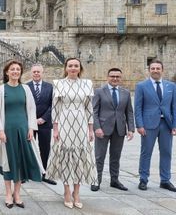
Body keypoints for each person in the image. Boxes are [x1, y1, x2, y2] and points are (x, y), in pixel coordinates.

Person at [46, 57, 97, 209]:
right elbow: (55, 108)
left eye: (76, 66)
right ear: (66, 68)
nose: (73, 68)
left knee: (80, 158)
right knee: (66, 158)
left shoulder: (87, 84)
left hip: (81, 123)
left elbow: (89, 108)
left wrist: (90, 129)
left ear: (80, 68)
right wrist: (55, 129)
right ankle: (67, 191)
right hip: (64, 122)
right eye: (70, 66)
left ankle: (77, 193)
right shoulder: (59, 84)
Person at [0, 60, 41, 209]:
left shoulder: (25, 89)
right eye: (12, 69)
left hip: (22, 130)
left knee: (20, 162)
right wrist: (0, 130)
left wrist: (31, 128)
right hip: (7, 132)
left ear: (20, 72)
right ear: (7, 72)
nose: (15, 71)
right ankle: (8, 194)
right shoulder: (1, 90)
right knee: (8, 162)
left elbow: (32, 109)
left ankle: (17, 194)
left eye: (18, 69)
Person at [135, 59, 176, 192]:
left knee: (167, 152)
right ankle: (143, 179)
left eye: (158, 68)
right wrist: (139, 125)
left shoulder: (171, 86)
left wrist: (174, 124)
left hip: (166, 124)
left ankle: (165, 180)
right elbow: (138, 107)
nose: (155, 70)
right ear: (149, 70)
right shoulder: (141, 86)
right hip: (148, 125)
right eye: (153, 68)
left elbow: (174, 107)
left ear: (162, 70)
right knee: (146, 152)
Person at [91, 68, 135, 192]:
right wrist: (97, 127)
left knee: (116, 156)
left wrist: (131, 128)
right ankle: (96, 180)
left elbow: (129, 112)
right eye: (112, 76)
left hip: (119, 129)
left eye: (117, 76)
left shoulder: (125, 93)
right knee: (99, 156)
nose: (115, 78)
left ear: (120, 78)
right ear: (107, 77)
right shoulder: (99, 91)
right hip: (103, 129)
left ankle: (114, 180)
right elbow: (93, 111)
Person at [26, 64, 56, 185]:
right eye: (34, 72)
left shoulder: (50, 87)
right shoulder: (26, 87)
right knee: (29, 148)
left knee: (45, 148)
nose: (36, 74)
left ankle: (45, 173)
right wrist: (32, 119)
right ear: (31, 73)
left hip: (45, 123)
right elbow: (24, 104)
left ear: (42, 73)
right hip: (30, 124)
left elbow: (53, 104)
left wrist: (44, 118)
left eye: (38, 72)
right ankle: (29, 172)